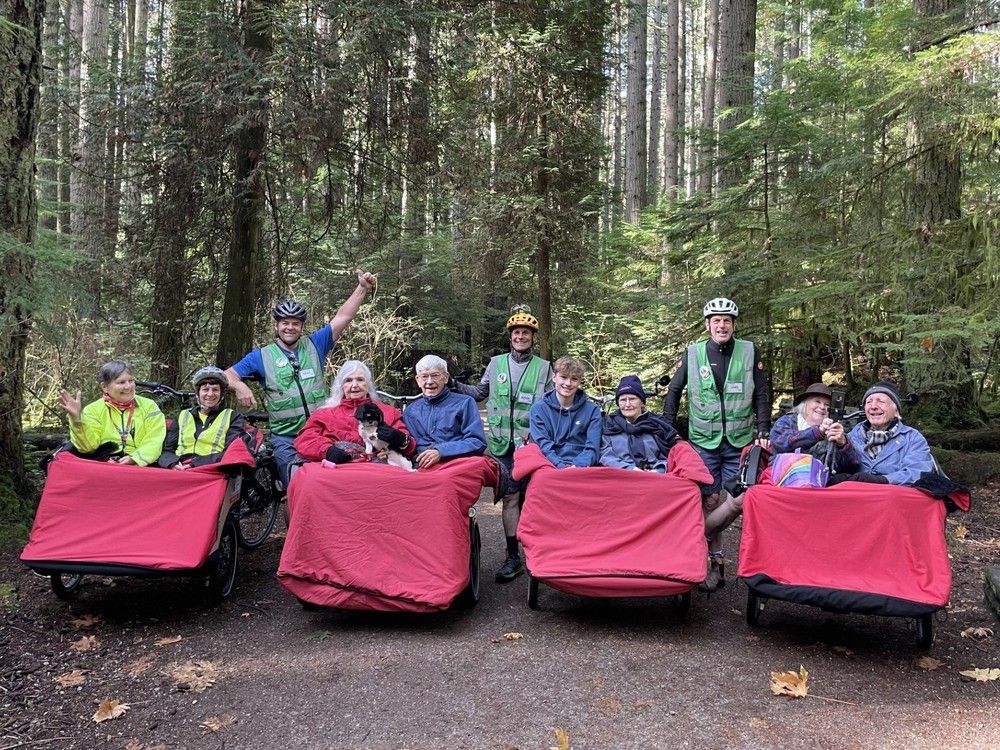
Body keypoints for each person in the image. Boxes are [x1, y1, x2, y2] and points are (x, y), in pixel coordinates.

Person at [224, 269, 376, 485]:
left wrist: (362, 287)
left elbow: (343, 316)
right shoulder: (261, 357)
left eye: (295, 323)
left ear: (301, 327)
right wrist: (240, 387)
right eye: (285, 323)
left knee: (330, 483)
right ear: (277, 326)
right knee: (296, 487)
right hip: (287, 437)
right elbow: (226, 375)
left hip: (321, 432)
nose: (290, 327)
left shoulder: (315, 344)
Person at [661, 297, 771, 591]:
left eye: (727, 321)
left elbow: (761, 393)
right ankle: (712, 562)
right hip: (704, 441)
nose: (721, 326)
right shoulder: (694, 353)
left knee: (742, 499)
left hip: (740, 441)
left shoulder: (749, 351)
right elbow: (674, 390)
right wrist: (667, 427)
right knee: (709, 500)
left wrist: (763, 428)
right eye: (716, 321)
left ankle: (711, 546)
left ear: (734, 325)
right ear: (708, 325)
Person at [451, 305, 554, 582]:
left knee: (535, 498)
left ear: (533, 337)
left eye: (526, 333)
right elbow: (481, 393)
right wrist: (454, 384)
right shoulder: (496, 363)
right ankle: (512, 557)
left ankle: (540, 553)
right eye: (517, 332)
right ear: (511, 337)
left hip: (532, 445)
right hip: (501, 444)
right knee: (510, 498)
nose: (521, 337)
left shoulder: (545, 368)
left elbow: (554, 403)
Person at [294, 360, 416, 466]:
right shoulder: (323, 414)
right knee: (309, 480)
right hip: (337, 467)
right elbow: (305, 440)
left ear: (368, 385)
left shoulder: (388, 412)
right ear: (341, 386)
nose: (354, 385)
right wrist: (327, 451)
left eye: (360, 380)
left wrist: (398, 442)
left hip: (379, 467)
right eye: (348, 380)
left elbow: (409, 445)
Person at [57, 360, 166, 466]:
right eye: (121, 382)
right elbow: (88, 447)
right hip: (105, 464)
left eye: (131, 380)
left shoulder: (149, 406)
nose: (128, 386)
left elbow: (155, 440)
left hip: (141, 465)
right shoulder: (93, 410)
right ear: (104, 387)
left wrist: (135, 458)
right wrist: (77, 420)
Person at [839, 381, 933, 486]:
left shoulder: (912, 438)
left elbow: (918, 472)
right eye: (869, 402)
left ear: (896, 411)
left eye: (881, 401)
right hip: (858, 498)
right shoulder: (851, 437)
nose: (873, 406)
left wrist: (883, 480)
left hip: (895, 500)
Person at [402, 355, 487, 469]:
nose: (429, 381)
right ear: (418, 380)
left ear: (446, 377)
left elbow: (477, 441)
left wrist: (440, 451)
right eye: (424, 376)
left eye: (435, 375)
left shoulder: (465, 403)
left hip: (456, 463)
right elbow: (408, 444)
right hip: (421, 464)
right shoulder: (410, 411)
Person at [158, 366, 247, 470]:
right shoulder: (182, 415)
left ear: (222, 394)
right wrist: (173, 464)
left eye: (215, 390)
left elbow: (231, 452)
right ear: (197, 393)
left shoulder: (233, 417)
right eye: (205, 389)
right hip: (179, 468)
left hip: (211, 470)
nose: (210, 394)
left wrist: (195, 464)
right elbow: (168, 450)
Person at [529, 356, 603, 469]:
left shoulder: (592, 410)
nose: (568, 383)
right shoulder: (538, 410)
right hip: (549, 465)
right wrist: (561, 466)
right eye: (563, 377)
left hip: (583, 466)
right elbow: (544, 446)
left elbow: (593, 447)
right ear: (554, 377)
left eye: (574, 379)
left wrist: (577, 466)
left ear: (579, 381)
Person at [769, 382, 859, 474]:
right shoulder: (786, 421)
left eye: (827, 404)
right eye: (817, 401)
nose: (822, 407)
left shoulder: (834, 430)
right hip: (783, 479)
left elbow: (852, 466)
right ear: (805, 404)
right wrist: (818, 431)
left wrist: (843, 445)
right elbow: (780, 444)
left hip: (820, 483)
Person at [600, 375, 678, 472]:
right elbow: (605, 455)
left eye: (632, 399)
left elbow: (672, 455)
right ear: (618, 403)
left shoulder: (658, 425)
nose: (627, 404)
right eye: (623, 400)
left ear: (642, 402)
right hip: (620, 476)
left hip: (655, 478)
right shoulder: (609, 425)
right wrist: (630, 469)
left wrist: (659, 470)